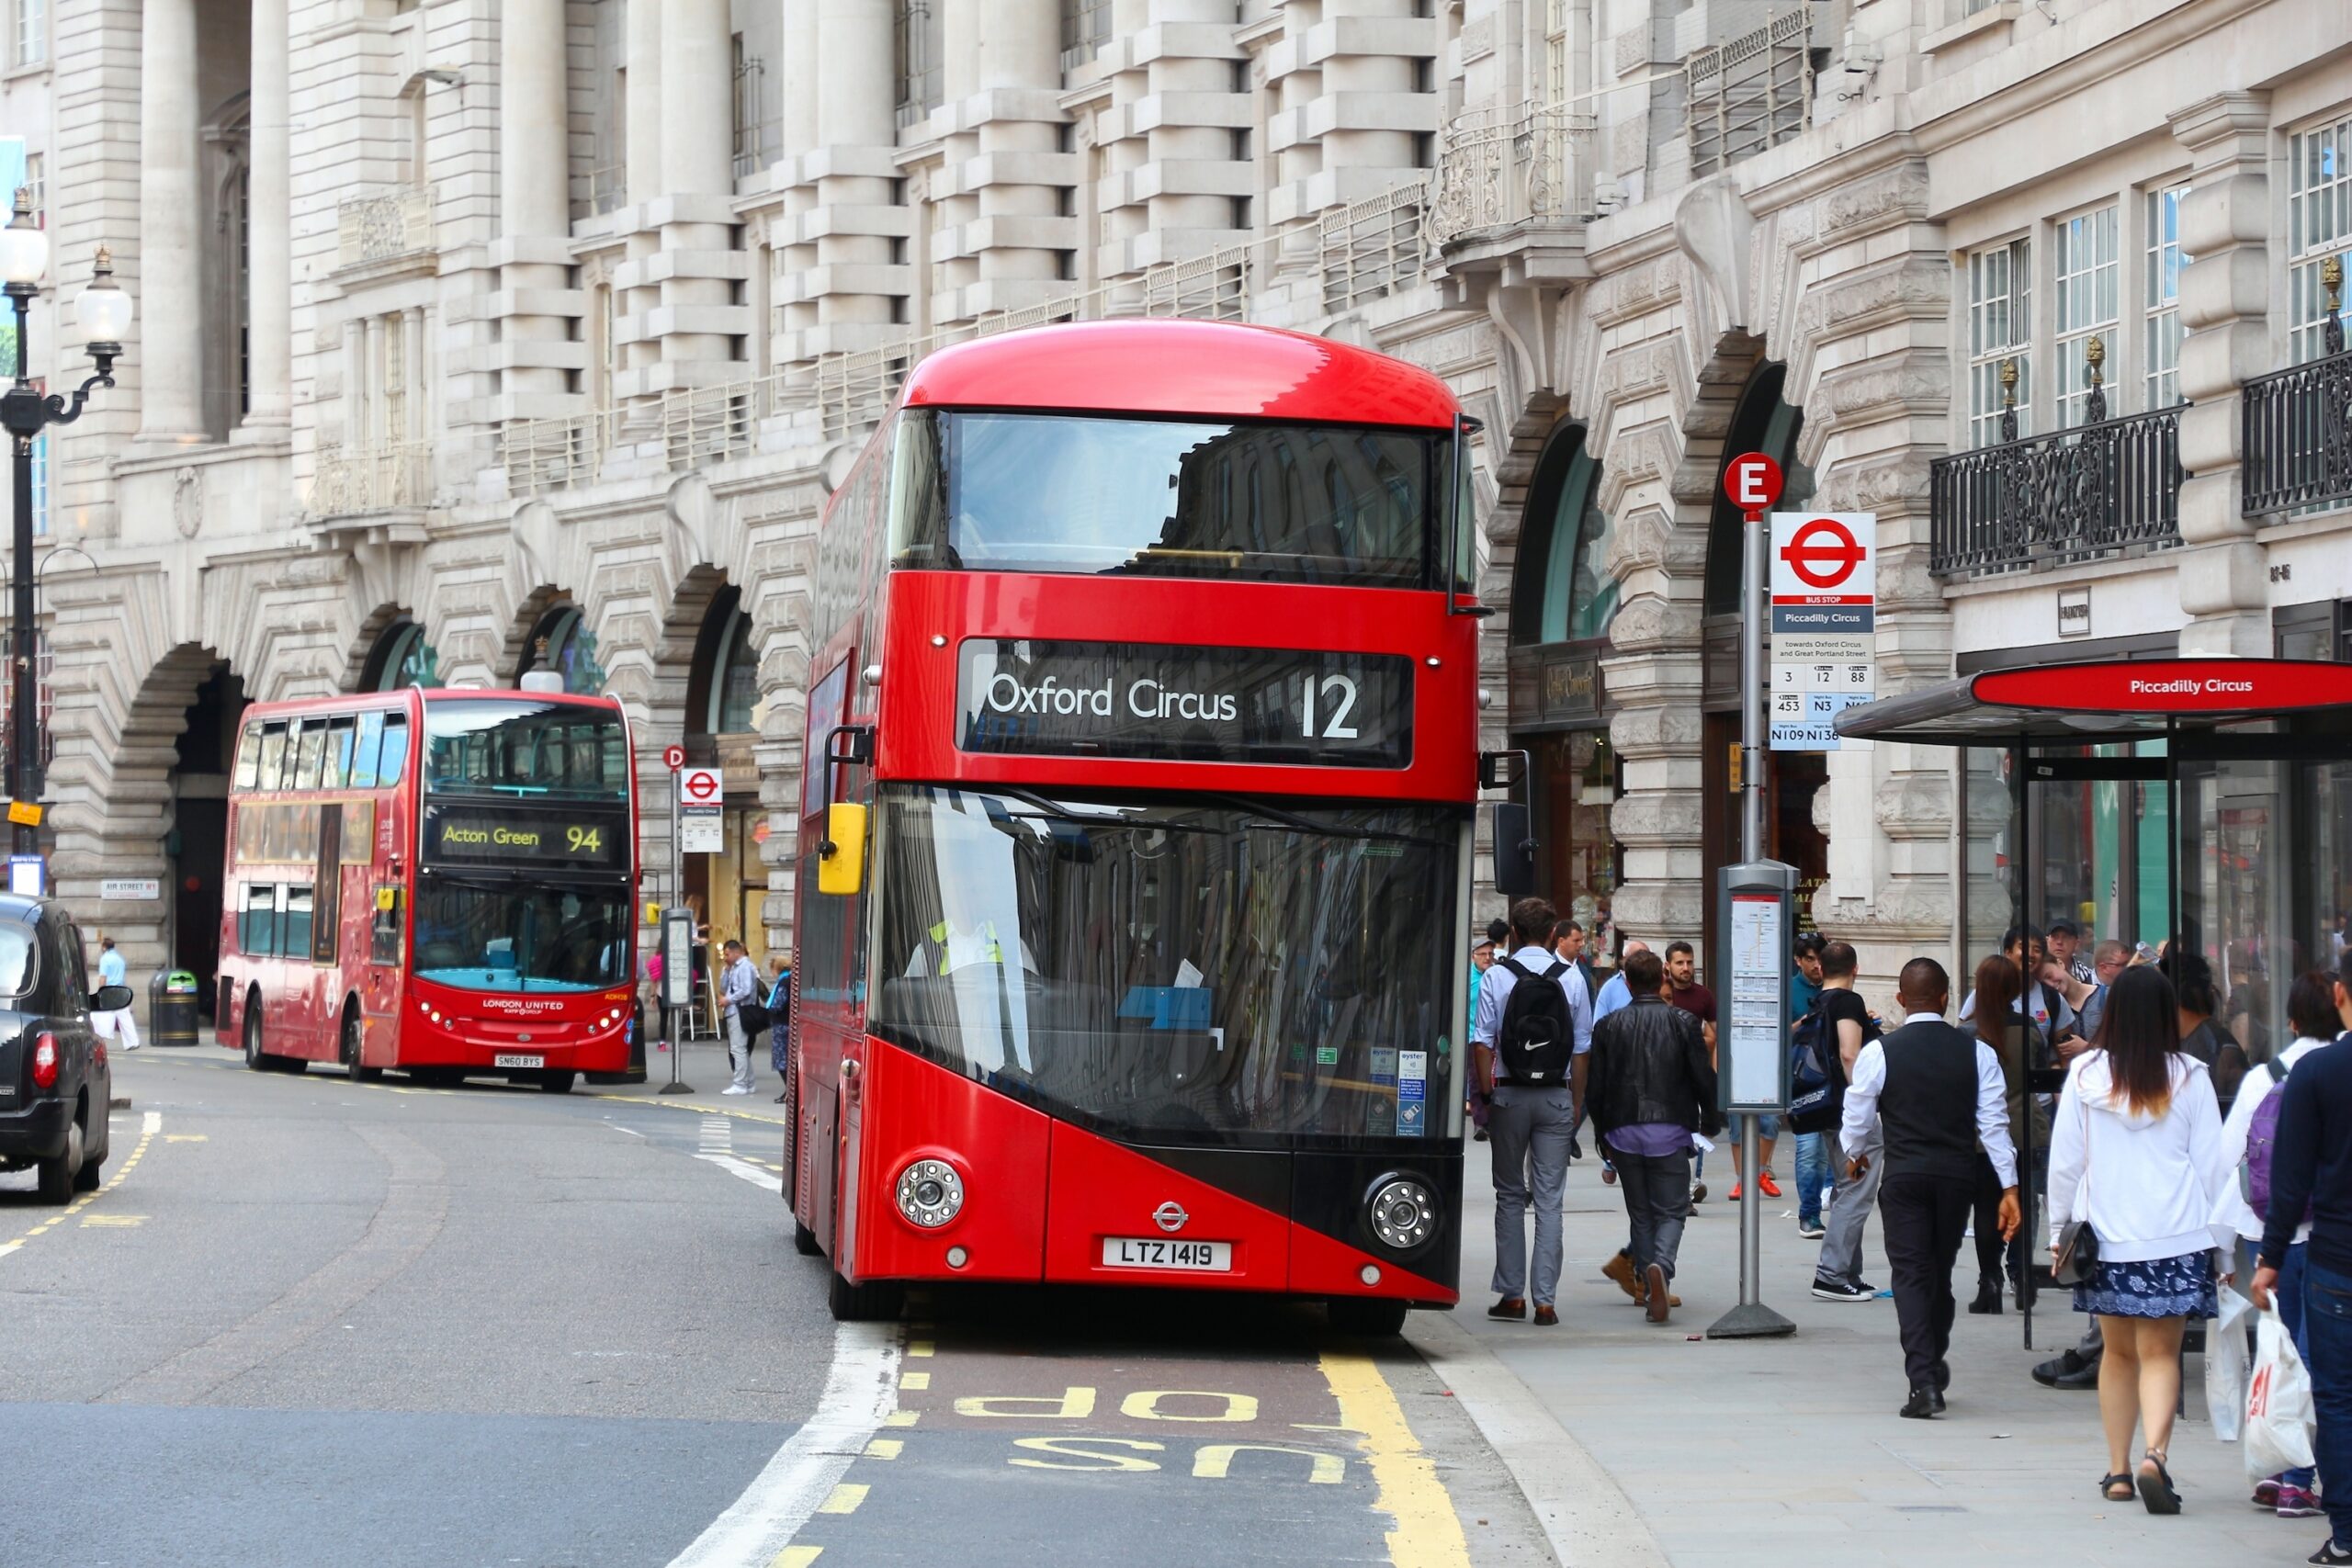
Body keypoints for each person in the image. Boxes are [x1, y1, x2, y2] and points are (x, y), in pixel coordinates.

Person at [2047, 965, 2228, 1513]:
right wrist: (2222, 1247)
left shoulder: (2084, 1076)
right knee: (2161, 1355)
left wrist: (2058, 1233)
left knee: (2118, 1356)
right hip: (2176, 1236)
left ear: (2113, 1013)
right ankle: (2156, 1455)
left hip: (2106, 1238)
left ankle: (2119, 1471)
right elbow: (2213, 1171)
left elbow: (2065, 1165)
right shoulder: (2193, 1077)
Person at [1839, 957, 2019, 1417]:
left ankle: (1924, 1378)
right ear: (1945, 999)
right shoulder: (1977, 1052)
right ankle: (1932, 1359)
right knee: (1938, 1270)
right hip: (1956, 1176)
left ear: (1900, 999)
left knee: (1911, 1275)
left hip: (1904, 1176)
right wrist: (2010, 1186)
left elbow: (1857, 1114)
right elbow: (1995, 1125)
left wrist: (1854, 1154)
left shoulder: (1881, 1052)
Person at [2222, 969, 2341, 1518]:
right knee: (2323, 1362)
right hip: (2331, 1235)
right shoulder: (2335, 1069)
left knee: (2288, 1354)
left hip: (2280, 1239)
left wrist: (2232, 1249)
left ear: (2291, 1019)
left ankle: (2290, 1472)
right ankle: (2302, 1477)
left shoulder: (2267, 1074)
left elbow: (2232, 1161)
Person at [2252, 970, 2352, 1564]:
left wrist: (2269, 1258)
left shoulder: (2315, 1073)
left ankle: (2346, 1531)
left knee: (2338, 1397)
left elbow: (2289, 1184)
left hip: (2336, 1258)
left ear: (2340, 994)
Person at [1473, 897, 1592, 1327]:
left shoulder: (1497, 977)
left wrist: (1487, 1095)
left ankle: (1512, 1295)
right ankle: (1546, 1301)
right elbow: (1581, 1048)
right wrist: (1574, 1102)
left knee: (1509, 1196)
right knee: (1550, 1200)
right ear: (1551, 933)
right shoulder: (1573, 978)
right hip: (1556, 1096)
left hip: (1508, 1094)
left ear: (1517, 934)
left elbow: (1482, 1041)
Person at [1589, 948, 1720, 1325]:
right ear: (1663, 978)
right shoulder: (1682, 1022)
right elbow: (1701, 1076)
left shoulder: (1609, 1025)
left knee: (1641, 1213)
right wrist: (1710, 1119)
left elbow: (1597, 1087)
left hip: (1623, 1130)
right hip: (1670, 1127)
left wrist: (1602, 1135)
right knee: (1673, 1209)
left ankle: (1648, 1283)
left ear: (1627, 983)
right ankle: (1661, 1265)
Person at [1965, 954, 2045, 1315]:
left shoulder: (1969, 1032)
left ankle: (1990, 1280)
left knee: (1986, 1207)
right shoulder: (2027, 1029)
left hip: (1982, 1133)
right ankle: (2022, 1273)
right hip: (2025, 1128)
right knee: (2024, 1203)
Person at [1809, 941, 1883, 1298]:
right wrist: (1863, 1105)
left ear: (1821, 969)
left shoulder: (1817, 1004)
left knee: (1845, 1188)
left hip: (1825, 1108)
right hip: (1849, 1114)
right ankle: (1832, 1275)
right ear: (1855, 968)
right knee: (1856, 1190)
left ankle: (1849, 1272)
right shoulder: (1848, 1002)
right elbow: (1850, 1054)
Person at [718, 938, 762, 1095]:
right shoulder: (733, 968)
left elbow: (745, 990)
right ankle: (748, 1082)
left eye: (727, 954)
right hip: (732, 1010)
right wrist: (726, 970)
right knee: (739, 1048)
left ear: (736, 952)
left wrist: (728, 1000)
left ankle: (740, 1083)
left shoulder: (744, 967)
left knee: (738, 1049)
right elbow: (723, 988)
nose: (725, 957)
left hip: (739, 1010)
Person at [1467, 926, 1498, 1141]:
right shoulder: (1466, 977)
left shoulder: (1498, 976)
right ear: (1473, 957)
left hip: (1496, 1037)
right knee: (1477, 1079)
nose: (1487, 958)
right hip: (1473, 1036)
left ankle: (1495, 1120)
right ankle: (1481, 1122)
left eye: (1490, 954)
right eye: (1483, 954)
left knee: (1496, 1079)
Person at [91, 936, 140, 1051]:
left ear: (104, 947)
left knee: (99, 1015)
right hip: (120, 989)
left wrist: (100, 990)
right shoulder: (119, 958)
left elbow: (103, 977)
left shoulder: (105, 959)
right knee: (125, 1017)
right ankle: (132, 1041)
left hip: (109, 991)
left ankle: (97, 1041)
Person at [1592, 938, 1649, 1021]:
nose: (1642, 962)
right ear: (1625, 960)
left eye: (1647, 958)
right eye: (1638, 958)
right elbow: (1598, 1024)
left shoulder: (1656, 983)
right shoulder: (1610, 988)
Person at [766, 956, 795, 1104]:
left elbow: (777, 1004)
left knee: (781, 1061)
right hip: (789, 1024)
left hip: (782, 1025)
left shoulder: (784, 982)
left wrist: (769, 1009)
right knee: (788, 1059)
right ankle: (788, 1091)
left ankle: (789, 1092)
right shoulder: (792, 979)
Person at [2047, 919, 2094, 986]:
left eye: (2065, 937)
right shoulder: (2037, 973)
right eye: (2055, 937)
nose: (2059, 942)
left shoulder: (2088, 976)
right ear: (2047, 941)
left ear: (2076, 943)